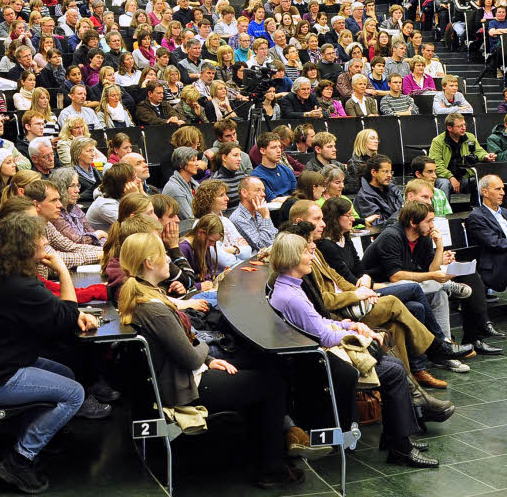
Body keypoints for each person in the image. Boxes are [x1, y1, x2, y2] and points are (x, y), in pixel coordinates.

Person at [118, 232, 305, 487]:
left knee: (263, 371)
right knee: (271, 385)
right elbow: (190, 355)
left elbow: (189, 353)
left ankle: (262, 453)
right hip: (185, 387)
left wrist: (206, 360)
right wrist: (205, 352)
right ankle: (271, 469)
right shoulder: (154, 307)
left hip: (183, 377)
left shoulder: (144, 297)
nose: (168, 261)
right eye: (163, 255)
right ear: (149, 263)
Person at [269, 230, 441, 469]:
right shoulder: (291, 296)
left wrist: (347, 324)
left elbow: (319, 322)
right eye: (305, 253)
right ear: (291, 258)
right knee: (393, 370)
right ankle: (399, 445)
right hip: (323, 364)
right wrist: (359, 332)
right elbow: (325, 335)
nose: (311, 256)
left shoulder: (290, 287)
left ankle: (397, 439)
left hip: (322, 352)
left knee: (394, 366)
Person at [0, 213, 95, 494]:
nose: (45, 241)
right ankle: (19, 459)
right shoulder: (19, 285)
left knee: (66, 374)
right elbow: (66, 315)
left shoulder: (3, 276)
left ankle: (43, 435)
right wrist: (62, 269)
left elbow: (57, 314)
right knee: (75, 393)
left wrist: (70, 314)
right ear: (24, 246)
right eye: (40, 238)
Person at [363, 201, 502, 356]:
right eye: (428, 221)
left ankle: (446, 347)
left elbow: (432, 269)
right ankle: (447, 286)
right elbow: (396, 276)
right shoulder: (392, 236)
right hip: (378, 286)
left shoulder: (423, 236)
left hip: (409, 283)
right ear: (413, 222)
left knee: (439, 294)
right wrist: (435, 277)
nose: (432, 225)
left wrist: (440, 246)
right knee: (422, 286)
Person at [429, 112, 495, 196]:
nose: (464, 128)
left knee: (482, 180)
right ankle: (444, 208)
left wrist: (486, 156)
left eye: (464, 125)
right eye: (460, 126)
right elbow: (436, 164)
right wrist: (451, 177)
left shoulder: (470, 137)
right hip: (445, 177)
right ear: (449, 128)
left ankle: (476, 206)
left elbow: (478, 151)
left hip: (464, 176)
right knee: (444, 183)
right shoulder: (438, 141)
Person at [465, 175, 507, 295]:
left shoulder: (505, 212)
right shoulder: (477, 217)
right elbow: (494, 243)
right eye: (498, 189)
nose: (503, 193)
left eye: (503, 189)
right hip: (497, 264)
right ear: (485, 192)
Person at [353, 155, 403, 225]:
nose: (389, 175)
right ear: (373, 172)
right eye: (385, 172)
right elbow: (377, 223)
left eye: (390, 172)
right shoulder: (364, 197)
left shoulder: (393, 190)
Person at [250, 131, 296, 202]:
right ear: (262, 151)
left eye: (279, 147)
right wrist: (291, 198)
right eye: (274, 147)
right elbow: (272, 199)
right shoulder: (256, 176)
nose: (279, 150)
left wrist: (285, 199)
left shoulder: (286, 170)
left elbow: (297, 194)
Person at [162, 147, 203, 221]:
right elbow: (189, 218)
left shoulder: (194, 184)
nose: (197, 164)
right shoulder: (174, 189)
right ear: (181, 164)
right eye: (193, 160)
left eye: (197, 160)